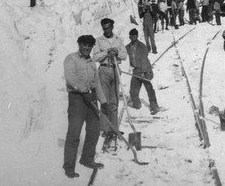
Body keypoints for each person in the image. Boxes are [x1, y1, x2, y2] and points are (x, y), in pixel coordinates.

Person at [63, 35, 109, 178]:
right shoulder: (71, 59)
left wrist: (103, 101)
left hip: (91, 99)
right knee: (74, 133)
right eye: (84, 45)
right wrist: (84, 91)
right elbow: (71, 79)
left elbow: (97, 84)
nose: (87, 48)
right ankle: (69, 166)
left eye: (89, 46)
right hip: (77, 100)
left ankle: (87, 159)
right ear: (79, 45)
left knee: (94, 131)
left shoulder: (91, 62)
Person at [92, 18, 128, 152]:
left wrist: (117, 52)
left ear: (112, 27)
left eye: (108, 28)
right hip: (104, 70)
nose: (106, 30)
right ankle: (104, 128)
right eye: (104, 28)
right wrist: (107, 52)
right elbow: (95, 57)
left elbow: (124, 56)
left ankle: (114, 128)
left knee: (114, 101)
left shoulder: (118, 39)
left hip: (115, 70)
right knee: (105, 100)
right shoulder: (99, 40)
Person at [125, 28, 160, 114]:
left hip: (145, 70)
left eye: (134, 35)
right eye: (131, 35)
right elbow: (122, 53)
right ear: (129, 36)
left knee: (149, 89)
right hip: (136, 71)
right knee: (133, 91)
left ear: (137, 36)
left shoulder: (142, 46)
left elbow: (144, 59)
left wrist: (144, 73)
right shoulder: (128, 47)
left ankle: (154, 106)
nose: (133, 37)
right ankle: (137, 105)